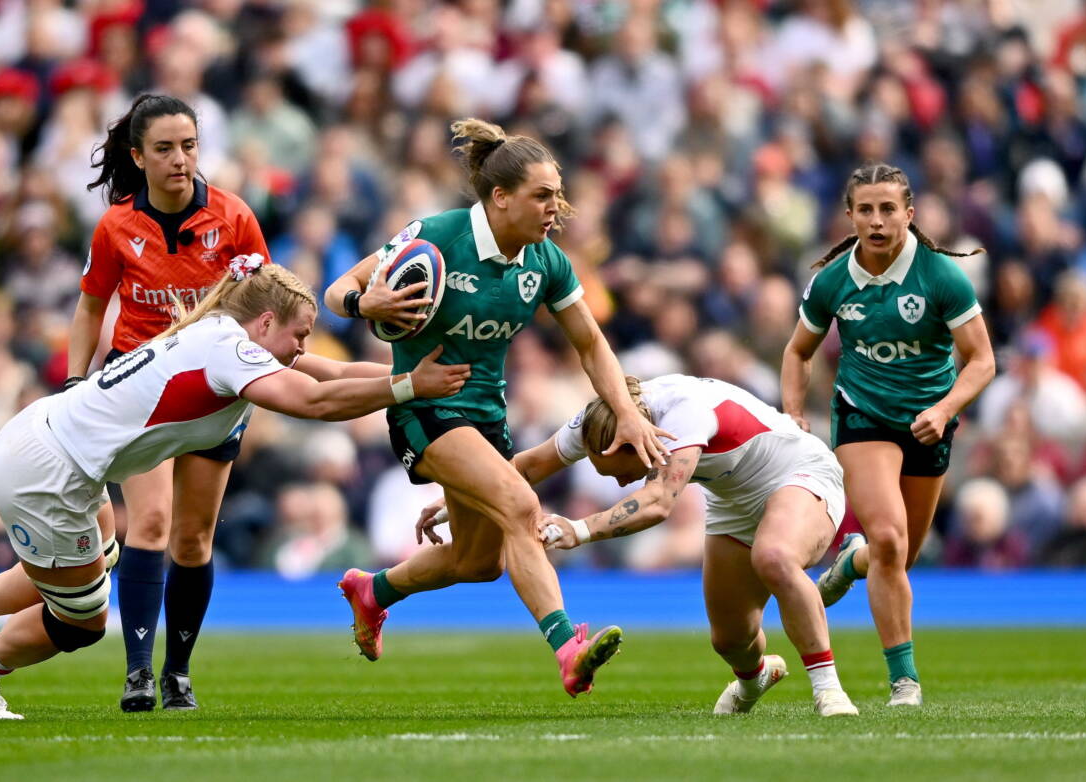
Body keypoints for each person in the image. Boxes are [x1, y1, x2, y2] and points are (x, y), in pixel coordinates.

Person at [0, 260, 469, 719]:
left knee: (93, 560)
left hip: (51, 448)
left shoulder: (224, 335)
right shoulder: (230, 351)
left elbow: (334, 376)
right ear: (265, 323)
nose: (302, 348)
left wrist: (421, 380)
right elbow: (315, 402)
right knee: (82, 620)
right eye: (299, 335)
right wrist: (407, 387)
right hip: (49, 472)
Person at [324, 118, 670, 697]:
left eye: (557, 195)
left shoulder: (547, 262)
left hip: (486, 414)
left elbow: (590, 344)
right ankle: (569, 649)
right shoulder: (436, 235)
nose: (554, 207)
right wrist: (366, 300)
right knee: (521, 505)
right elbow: (338, 291)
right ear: (501, 197)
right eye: (542, 195)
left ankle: (373, 591)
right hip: (424, 405)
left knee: (478, 562)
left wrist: (627, 412)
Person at [417, 375, 860, 717]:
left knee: (774, 556)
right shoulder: (599, 421)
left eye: (619, 470)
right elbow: (529, 465)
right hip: (734, 499)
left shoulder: (685, 417)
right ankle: (754, 679)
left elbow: (658, 502)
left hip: (800, 473)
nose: (618, 481)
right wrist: (459, 493)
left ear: (635, 442)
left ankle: (829, 691)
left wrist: (579, 529)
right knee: (730, 640)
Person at [72, 93, 271, 712]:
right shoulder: (115, 227)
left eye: (188, 146)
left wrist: (259, 374)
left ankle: (177, 671)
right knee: (150, 524)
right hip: (141, 391)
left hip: (213, 396)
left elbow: (266, 306)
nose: (180, 159)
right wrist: (77, 382)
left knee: (194, 540)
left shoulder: (235, 218)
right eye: (164, 149)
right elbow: (90, 305)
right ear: (138, 156)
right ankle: (136, 671)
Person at [781, 162, 995, 707]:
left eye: (888, 209)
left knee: (896, 555)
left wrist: (945, 409)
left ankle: (851, 561)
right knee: (892, 541)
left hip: (929, 424)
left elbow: (981, 361)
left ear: (909, 214)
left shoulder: (941, 276)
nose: (877, 221)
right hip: (863, 418)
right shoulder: (832, 281)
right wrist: (793, 413)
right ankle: (905, 681)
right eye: (866, 210)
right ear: (849, 215)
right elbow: (798, 352)